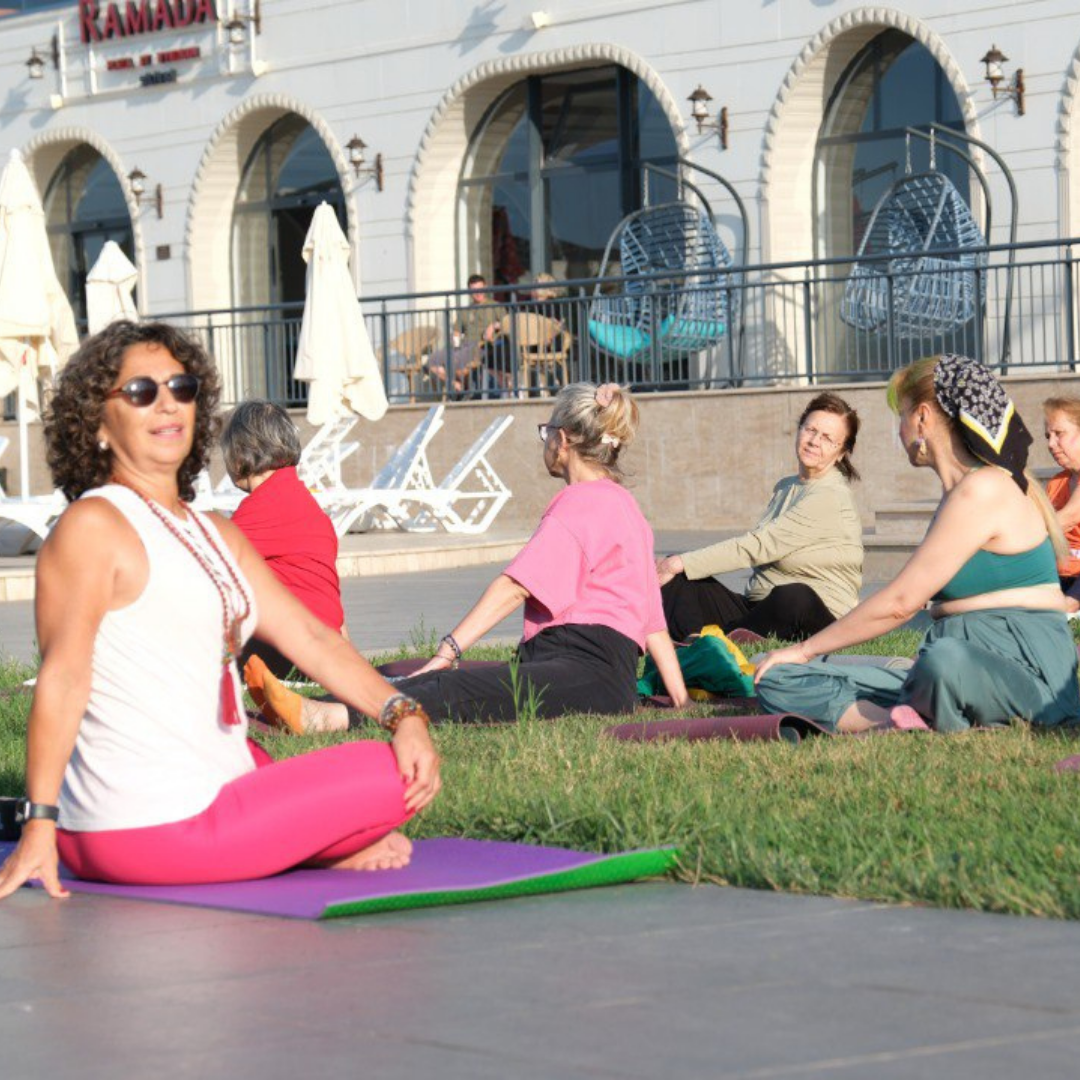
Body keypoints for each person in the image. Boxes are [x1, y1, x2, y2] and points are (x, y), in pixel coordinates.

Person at [0, 321, 439, 898]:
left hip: (195, 799)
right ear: (97, 422)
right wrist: (39, 825)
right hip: (144, 824)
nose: (167, 405)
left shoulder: (213, 532)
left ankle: (308, 847)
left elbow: (309, 635)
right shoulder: (94, 526)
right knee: (385, 774)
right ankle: (308, 849)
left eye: (181, 388)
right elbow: (63, 676)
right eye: (140, 391)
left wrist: (404, 714)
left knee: (360, 754)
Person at [253, 382, 688, 731]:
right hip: (605, 677)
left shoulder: (581, 504)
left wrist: (448, 649)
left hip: (579, 665)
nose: (546, 441)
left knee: (455, 686)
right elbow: (651, 621)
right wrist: (680, 698)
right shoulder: (629, 510)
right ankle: (318, 704)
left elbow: (514, 586)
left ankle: (329, 717)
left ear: (565, 439)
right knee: (464, 685)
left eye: (546, 431)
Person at [755, 353, 1080, 734]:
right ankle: (905, 722)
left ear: (922, 417)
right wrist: (797, 660)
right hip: (946, 668)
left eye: (903, 415)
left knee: (943, 661)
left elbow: (900, 604)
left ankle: (927, 710)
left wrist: (804, 648)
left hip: (1019, 672)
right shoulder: (957, 494)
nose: (900, 430)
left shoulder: (985, 488)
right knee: (777, 675)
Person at [656, 392, 864, 642]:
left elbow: (759, 546)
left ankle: (719, 640)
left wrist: (681, 561)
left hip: (817, 617)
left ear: (841, 453)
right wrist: (678, 566)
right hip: (758, 609)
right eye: (810, 430)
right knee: (682, 580)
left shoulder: (830, 496)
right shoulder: (787, 487)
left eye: (828, 438)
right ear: (799, 430)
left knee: (794, 596)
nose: (814, 441)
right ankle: (694, 641)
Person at [221, 399, 346, 680]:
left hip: (292, 653)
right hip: (323, 648)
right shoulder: (305, 504)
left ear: (239, 456)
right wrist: (347, 654)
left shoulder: (263, 508)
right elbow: (329, 595)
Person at [427, 274, 509, 394]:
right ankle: (456, 384)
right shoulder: (465, 310)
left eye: (480, 289)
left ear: (485, 287)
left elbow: (508, 323)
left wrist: (493, 326)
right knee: (432, 361)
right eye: (474, 290)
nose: (478, 293)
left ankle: (465, 388)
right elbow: (456, 331)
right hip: (462, 346)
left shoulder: (495, 306)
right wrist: (454, 338)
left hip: (482, 346)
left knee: (456, 361)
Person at [1042, 396, 1080, 609]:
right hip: (1059, 577)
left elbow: (1066, 518)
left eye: (1059, 434)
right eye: (1048, 436)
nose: (1050, 444)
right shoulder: (1057, 483)